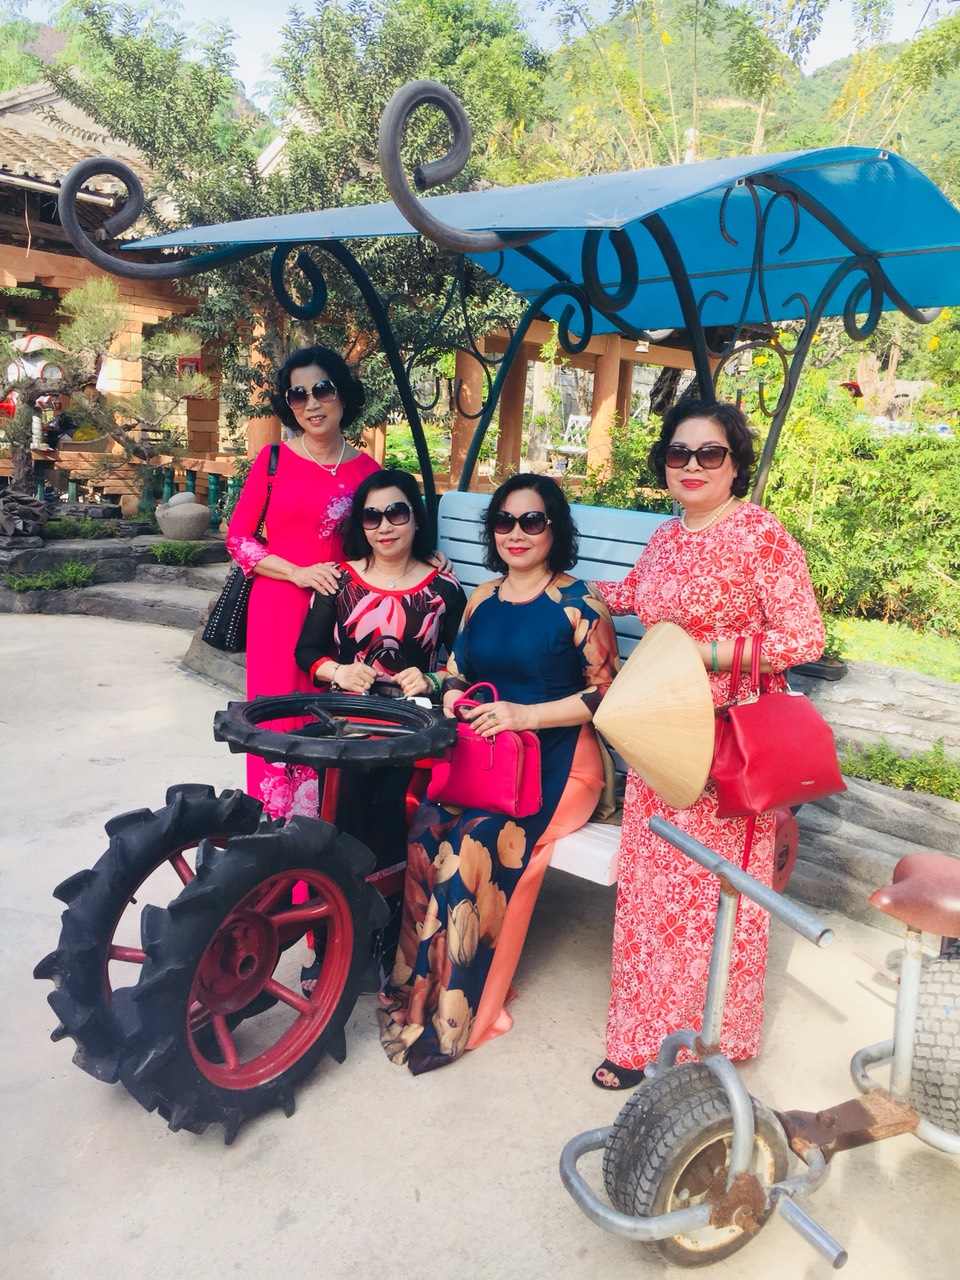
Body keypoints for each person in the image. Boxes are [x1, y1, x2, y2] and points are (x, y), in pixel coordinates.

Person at [592, 399, 825, 1089]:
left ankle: (701, 1047)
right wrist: (563, 588)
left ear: (734, 464)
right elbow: (633, 594)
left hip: (727, 738)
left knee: (709, 895)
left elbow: (805, 637)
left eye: (710, 453)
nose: (691, 465)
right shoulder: (666, 536)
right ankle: (637, 1037)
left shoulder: (760, 534)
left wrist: (710, 653)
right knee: (649, 890)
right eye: (678, 452)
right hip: (658, 729)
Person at [378, 473, 620, 1074]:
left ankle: (465, 1009)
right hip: (487, 762)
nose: (517, 533)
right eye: (505, 521)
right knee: (425, 829)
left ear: (555, 530)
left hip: (562, 768)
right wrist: (447, 691)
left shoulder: (580, 604)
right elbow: (457, 669)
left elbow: (606, 695)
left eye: (532, 521)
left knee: (473, 842)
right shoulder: (482, 599)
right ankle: (420, 989)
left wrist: (526, 714)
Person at [226, 344, 380, 818]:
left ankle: (321, 835)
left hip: (337, 614)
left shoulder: (368, 472)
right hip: (277, 609)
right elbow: (238, 538)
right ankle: (274, 834)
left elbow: (383, 536)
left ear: (342, 394)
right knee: (275, 722)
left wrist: (427, 555)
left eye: (322, 390)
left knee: (327, 722)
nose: (311, 404)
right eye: (298, 395)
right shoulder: (272, 459)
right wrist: (297, 572)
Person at [294, 469, 465, 699]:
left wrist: (431, 680)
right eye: (371, 517)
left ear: (417, 519)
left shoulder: (444, 587)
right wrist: (339, 672)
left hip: (417, 715)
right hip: (348, 714)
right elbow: (306, 651)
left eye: (397, 513)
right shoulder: (337, 581)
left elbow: (465, 665)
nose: (384, 528)